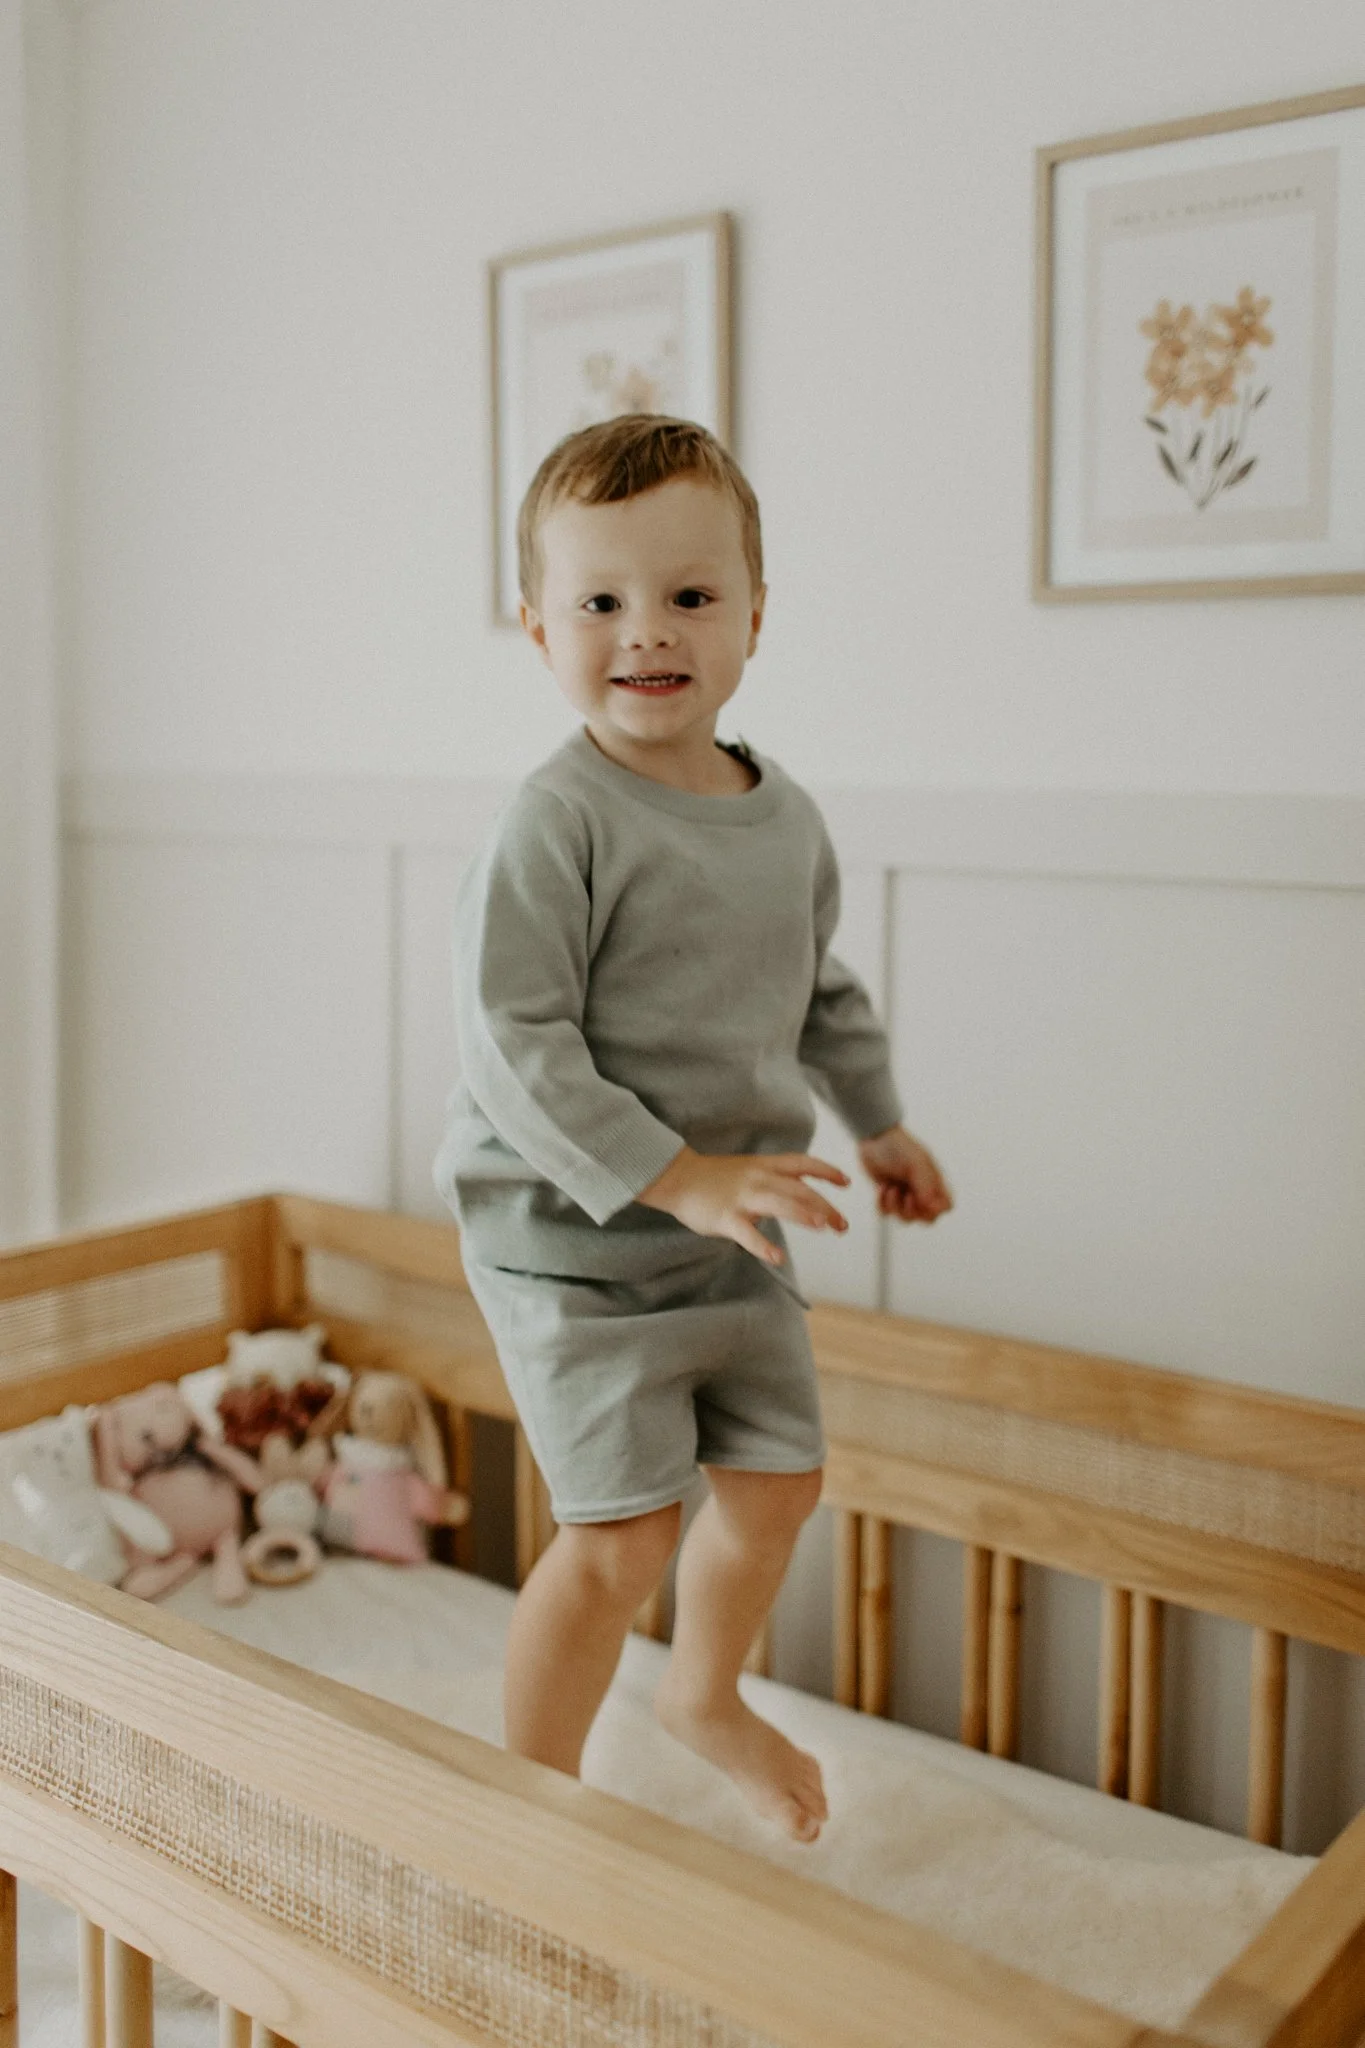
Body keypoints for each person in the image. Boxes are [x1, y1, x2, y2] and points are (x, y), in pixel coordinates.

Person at [433, 412, 952, 1844]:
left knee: (781, 1483)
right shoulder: (556, 823)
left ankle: (703, 1694)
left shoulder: (783, 821)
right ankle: (530, 1809)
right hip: (574, 1240)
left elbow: (815, 987)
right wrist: (674, 1175)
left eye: (689, 595)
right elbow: (513, 1046)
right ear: (540, 629)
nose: (647, 631)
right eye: (600, 601)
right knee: (620, 1541)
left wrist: (881, 1125)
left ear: (754, 618)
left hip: (729, 1228)